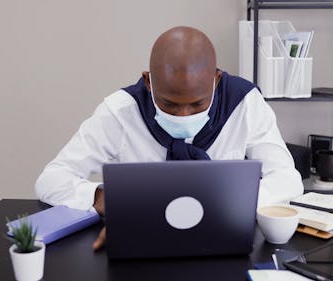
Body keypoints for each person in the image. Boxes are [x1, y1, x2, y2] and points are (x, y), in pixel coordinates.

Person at [35, 26, 303, 251]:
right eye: (170, 105)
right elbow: (51, 179)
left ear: (215, 80)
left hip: (224, 248)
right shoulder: (119, 112)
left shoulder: (245, 104)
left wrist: (231, 203)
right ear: (148, 82)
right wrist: (100, 195)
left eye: (197, 104)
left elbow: (287, 179)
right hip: (140, 247)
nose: (184, 115)